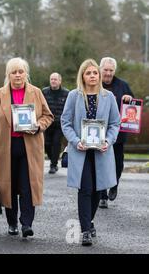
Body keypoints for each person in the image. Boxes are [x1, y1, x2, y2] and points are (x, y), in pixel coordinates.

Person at [0, 57, 53, 238]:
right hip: (5, 148)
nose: (17, 75)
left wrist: (38, 125)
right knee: (9, 187)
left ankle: (27, 223)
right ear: (8, 75)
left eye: (21, 71)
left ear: (26, 74)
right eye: (14, 72)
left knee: (28, 186)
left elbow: (48, 116)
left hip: (30, 147)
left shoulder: (36, 92)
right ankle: (12, 222)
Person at [61, 59, 120, 246]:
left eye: (95, 73)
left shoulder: (108, 96)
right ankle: (85, 230)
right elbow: (66, 122)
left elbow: (115, 123)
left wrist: (109, 141)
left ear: (100, 75)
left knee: (98, 189)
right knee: (85, 188)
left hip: (101, 151)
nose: (92, 76)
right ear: (83, 76)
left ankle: (89, 220)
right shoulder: (73, 96)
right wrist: (75, 141)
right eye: (89, 73)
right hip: (81, 151)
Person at [98, 57, 134, 208]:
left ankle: (114, 185)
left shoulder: (123, 85)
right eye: (105, 70)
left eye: (111, 70)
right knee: (100, 164)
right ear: (100, 69)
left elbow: (133, 105)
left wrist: (129, 98)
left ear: (114, 71)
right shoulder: (94, 82)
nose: (108, 73)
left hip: (118, 132)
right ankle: (102, 196)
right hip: (97, 131)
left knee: (117, 163)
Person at [42, 73, 69, 174]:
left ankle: (53, 165)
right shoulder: (44, 92)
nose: (53, 81)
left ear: (60, 81)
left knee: (56, 143)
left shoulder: (66, 93)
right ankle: (52, 159)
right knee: (47, 144)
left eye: (55, 79)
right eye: (52, 79)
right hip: (47, 122)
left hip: (59, 123)